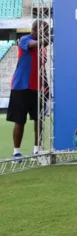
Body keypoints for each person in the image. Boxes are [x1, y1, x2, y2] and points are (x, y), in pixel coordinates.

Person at [7, 20, 49, 159]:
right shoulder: (25, 40)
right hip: (21, 86)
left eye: (47, 30)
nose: (46, 33)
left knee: (39, 120)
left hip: (38, 88)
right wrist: (49, 38)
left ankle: (37, 150)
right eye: (44, 30)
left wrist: (46, 86)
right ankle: (16, 152)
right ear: (34, 29)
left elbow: (42, 68)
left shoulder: (43, 47)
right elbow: (34, 45)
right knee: (20, 120)